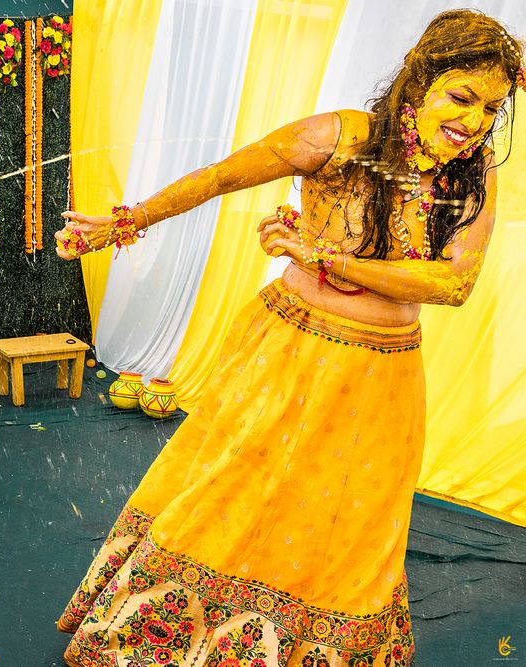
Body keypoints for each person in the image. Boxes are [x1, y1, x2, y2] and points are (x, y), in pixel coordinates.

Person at [53, 10, 520, 666]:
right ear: (420, 81)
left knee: (349, 529)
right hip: (288, 355)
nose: (475, 122)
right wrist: (122, 223)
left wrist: (328, 258)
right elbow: (220, 176)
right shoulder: (335, 137)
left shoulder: (474, 176)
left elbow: (453, 283)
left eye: (492, 107)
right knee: (234, 496)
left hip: (383, 380)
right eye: (463, 97)